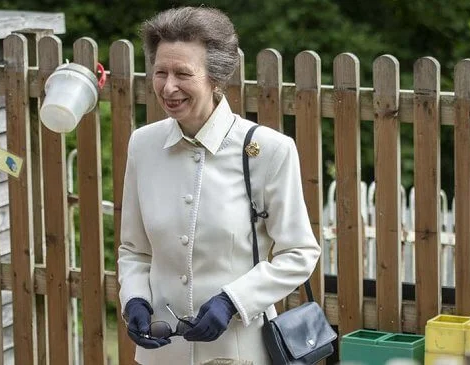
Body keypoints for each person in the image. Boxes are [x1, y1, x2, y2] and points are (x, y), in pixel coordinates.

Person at [117, 6, 321, 365]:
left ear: (216, 77)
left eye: (183, 73)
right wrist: (134, 299)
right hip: (162, 356)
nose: (168, 87)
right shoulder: (143, 145)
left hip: (241, 352)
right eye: (160, 72)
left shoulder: (270, 151)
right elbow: (134, 250)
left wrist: (232, 301)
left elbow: (299, 253)